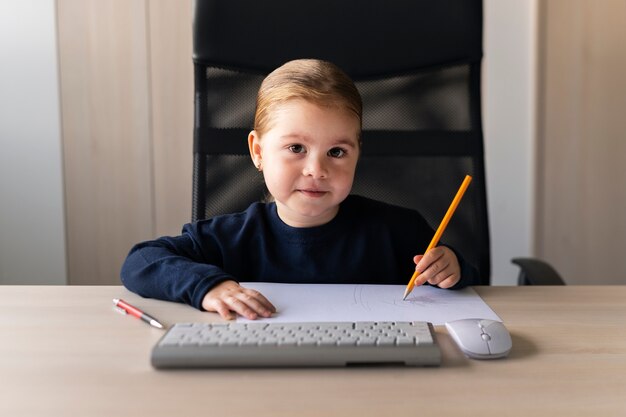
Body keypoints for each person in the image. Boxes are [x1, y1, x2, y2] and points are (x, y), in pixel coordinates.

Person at [121, 59, 479, 320]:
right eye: (296, 149)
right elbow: (140, 261)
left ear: (357, 154)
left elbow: (467, 279)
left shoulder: (399, 230)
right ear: (258, 153)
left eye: (336, 152)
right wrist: (210, 288)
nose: (317, 170)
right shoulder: (230, 237)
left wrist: (453, 267)